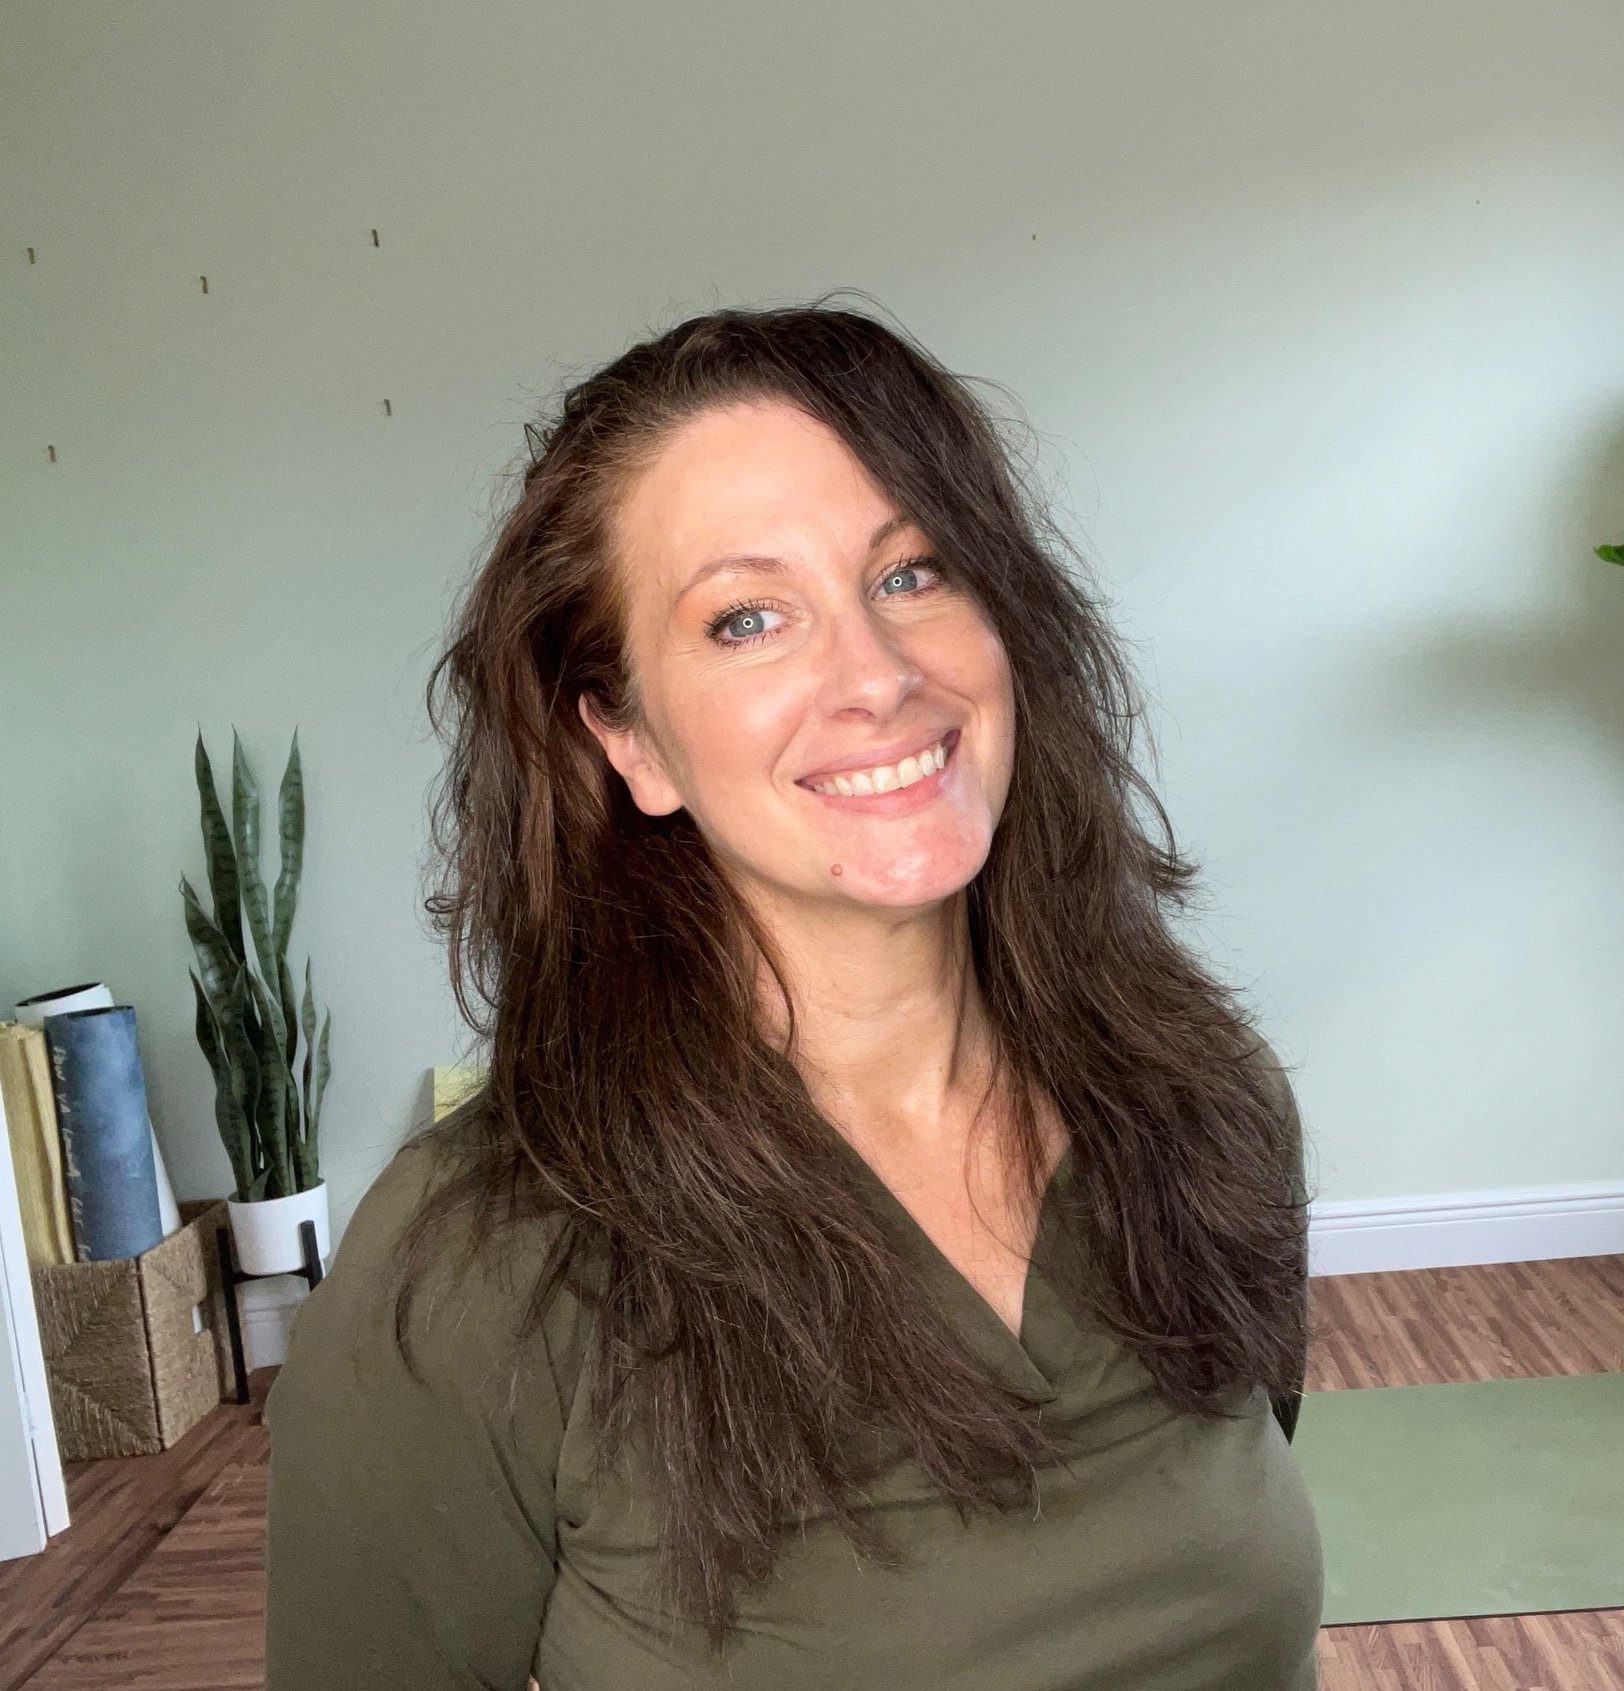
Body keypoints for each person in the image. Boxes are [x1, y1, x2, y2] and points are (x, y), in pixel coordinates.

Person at [264, 297, 1324, 1691]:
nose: (876, 678)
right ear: (628, 739)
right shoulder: (477, 1269)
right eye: (748, 619)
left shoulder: (1201, 1101)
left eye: (914, 573)